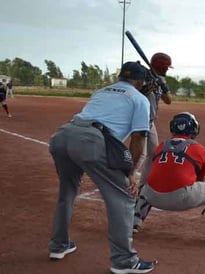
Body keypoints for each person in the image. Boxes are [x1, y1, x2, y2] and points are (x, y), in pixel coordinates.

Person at [48, 61, 158, 273]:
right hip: (91, 142)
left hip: (63, 135)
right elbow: (138, 139)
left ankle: (58, 246)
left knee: (67, 191)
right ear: (139, 81)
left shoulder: (101, 91)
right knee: (124, 197)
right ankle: (124, 261)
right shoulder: (139, 99)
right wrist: (131, 173)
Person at [134, 112, 205, 244]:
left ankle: (134, 222)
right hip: (182, 197)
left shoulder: (161, 146)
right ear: (194, 129)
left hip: (153, 197)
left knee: (146, 186)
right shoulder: (200, 149)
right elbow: (198, 180)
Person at [136, 53, 172, 197]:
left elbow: (168, 100)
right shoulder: (143, 76)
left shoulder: (161, 79)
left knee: (154, 153)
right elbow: (137, 93)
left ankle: (143, 185)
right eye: (166, 67)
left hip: (150, 121)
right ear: (161, 66)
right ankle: (126, 181)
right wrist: (150, 85)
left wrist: (162, 86)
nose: (168, 70)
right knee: (141, 154)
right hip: (140, 119)